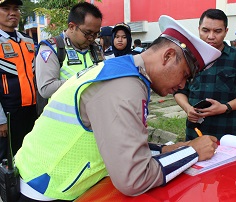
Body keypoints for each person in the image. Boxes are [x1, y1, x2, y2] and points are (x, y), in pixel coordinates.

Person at [15, 15, 222, 201]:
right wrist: (193, 152)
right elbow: (133, 179)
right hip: (44, 190)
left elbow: (116, 140)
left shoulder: (120, 70)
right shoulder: (125, 86)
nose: (183, 86)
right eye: (185, 75)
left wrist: (164, 149)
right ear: (167, 57)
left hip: (39, 178)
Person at [174, 9, 236, 141]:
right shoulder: (189, 58)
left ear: (226, 31)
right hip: (194, 132)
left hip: (226, 133)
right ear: (199, 29)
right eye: (205, 30)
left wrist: (225, 107)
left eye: (217, 31)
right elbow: (179, 90)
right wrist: (187, 108)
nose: (211, 36)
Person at [35, 2, 104, 115]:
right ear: (72, 27)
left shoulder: (96, 48)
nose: (92, 38)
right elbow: (46, 89)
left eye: (96, 34)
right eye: (88, 33)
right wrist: (84, 80)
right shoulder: (52, 48)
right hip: (63, 119)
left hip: (93, 118)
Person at [0, 0, 37, 161]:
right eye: (6, 9)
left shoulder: (27, 41)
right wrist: (0, 120)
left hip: (31, 110)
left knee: (28, 154)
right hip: (8, 112)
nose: (12, 13)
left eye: (15, 9)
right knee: (7, 159)